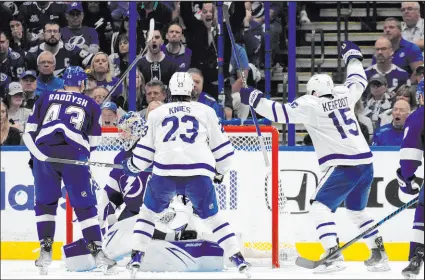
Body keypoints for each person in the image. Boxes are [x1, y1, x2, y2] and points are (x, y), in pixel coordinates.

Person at [240, 41, 390, 273]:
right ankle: (379, 254)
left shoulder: (311, 104)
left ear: (311, 91)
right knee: (357, 211)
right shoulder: (344, 94)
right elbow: (358, 80)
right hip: (365, 163)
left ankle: (332, 254)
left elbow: (280, 113)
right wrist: (353, 57)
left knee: (319, 207)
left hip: (344, 164)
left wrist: (254, 98)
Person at [122, 72, 251, 278]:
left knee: (147, 215)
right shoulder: (206, 111)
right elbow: (224, 152)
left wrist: (132, 165)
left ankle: (136, 256)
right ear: (192, 89)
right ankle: (237, 258)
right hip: (197, 174)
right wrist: (219, 172)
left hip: (164, 173)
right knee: (213, 219)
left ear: (170, 91)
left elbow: (144, 154)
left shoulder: (157, 113)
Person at [22, 66, 117, 275]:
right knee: (85, 206)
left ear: (64, 82)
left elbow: (28, 134)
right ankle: (97, 251)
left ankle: (45, 250)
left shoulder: (45, 97)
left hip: (44, 152)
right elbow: (94, 142)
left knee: (45, 203)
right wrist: (82, 157)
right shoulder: (92, 104)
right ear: (82, 84)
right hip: (75, 155)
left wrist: (38, 156)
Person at [396, 85, 424, 279]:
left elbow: (409, 158)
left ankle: (417, 256)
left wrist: (407, 178)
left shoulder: (418, 116)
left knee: (423, 210)